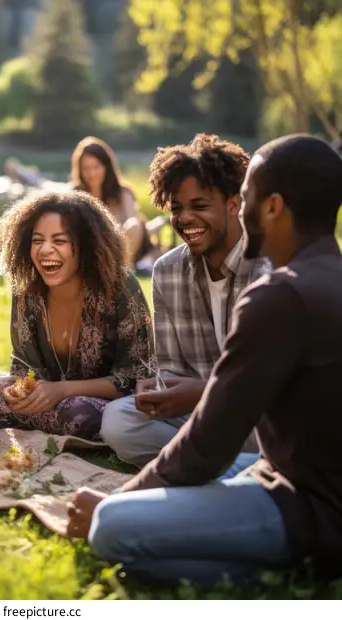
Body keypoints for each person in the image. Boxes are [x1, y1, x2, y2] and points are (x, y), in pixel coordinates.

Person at [66, 134, 342, 587]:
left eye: (246, 197)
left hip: (309, 509)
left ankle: (280, 572)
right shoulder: (323, 279)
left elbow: (206, 447)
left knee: (113, 527)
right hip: (281, 474)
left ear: (271, 206)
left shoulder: (279, 295)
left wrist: (118, 501)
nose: (242, 208)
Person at [101, 134, 268, 468]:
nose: (185, 219)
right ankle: (233, 469)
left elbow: (273, 384)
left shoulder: (268, 270)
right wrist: (161, 388)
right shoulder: (167, 271)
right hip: (202, 419)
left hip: (263, 416)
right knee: (118, 420)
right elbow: (173, 366)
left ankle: (214, 467)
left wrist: (203, 392)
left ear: (233, 203)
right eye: (177, 208)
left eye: (200, 206)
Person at [0, 191, 154, 441]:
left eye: (59, 241)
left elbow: (135, 378)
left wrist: (62, 390)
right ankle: (38, 420)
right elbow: (24, 366)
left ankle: (40, 423)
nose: (45, 250)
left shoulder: (121, 286)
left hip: (95, 405)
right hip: (49, 401)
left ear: (86, 245)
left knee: (80, 414)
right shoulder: (27, 289)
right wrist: (18, 391)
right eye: (37, 241)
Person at [71, 136, 157, 269]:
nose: (91, 173)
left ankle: (121, 271)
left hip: (121, 249)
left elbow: (134, 225)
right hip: (91, 250)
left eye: (96, 167)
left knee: (134, 224)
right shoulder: (75, 194)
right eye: (86, 168)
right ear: (80, 170)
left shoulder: (123, 192)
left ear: (106, 167)